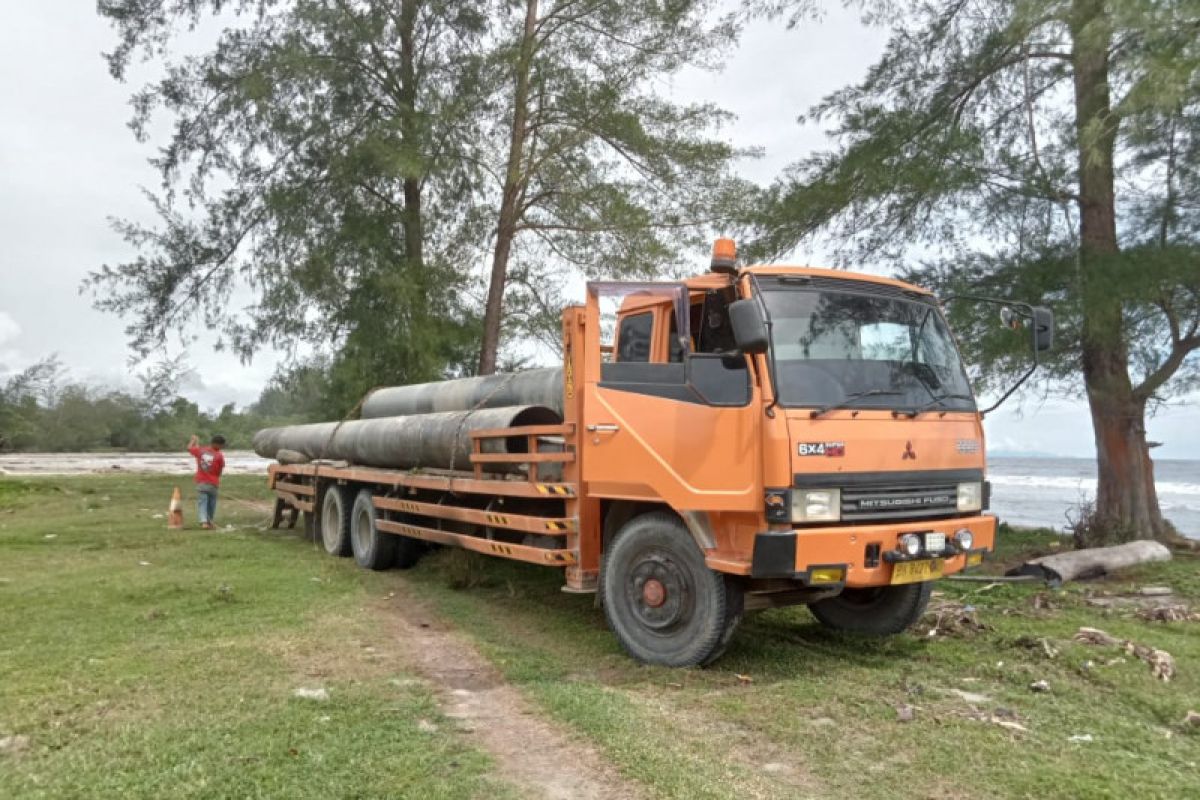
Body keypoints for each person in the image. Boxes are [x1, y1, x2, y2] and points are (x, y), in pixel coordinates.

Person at [187, 433, 226, 529]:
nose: (221, 447)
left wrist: (193, 440)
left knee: (203, 502)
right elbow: (220, 470)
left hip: (201, 482)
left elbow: (190, 448)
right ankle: (209, 521)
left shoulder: (201, 451)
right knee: (211, 504)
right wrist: (217, 476)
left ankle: (204, 521)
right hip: (213, 483)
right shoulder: (219, 455)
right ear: (217, 444)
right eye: (221, 445)